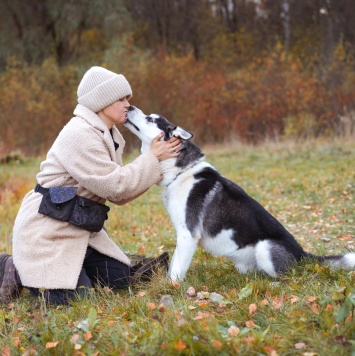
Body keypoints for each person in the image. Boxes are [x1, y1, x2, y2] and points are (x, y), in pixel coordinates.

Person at [0, 66, 181, 305]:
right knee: (75, 300)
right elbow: (117, 188)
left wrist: (155, 164)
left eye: (128, 98)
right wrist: (153, 158)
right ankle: (15, 266)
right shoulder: (80, 135)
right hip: (48, 229)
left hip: (77, 225)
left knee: (119, 279)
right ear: (102, 101)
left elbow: (119, 194)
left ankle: (79, 262)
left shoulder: (108, 132)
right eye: (121, 98)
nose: (128, 104)